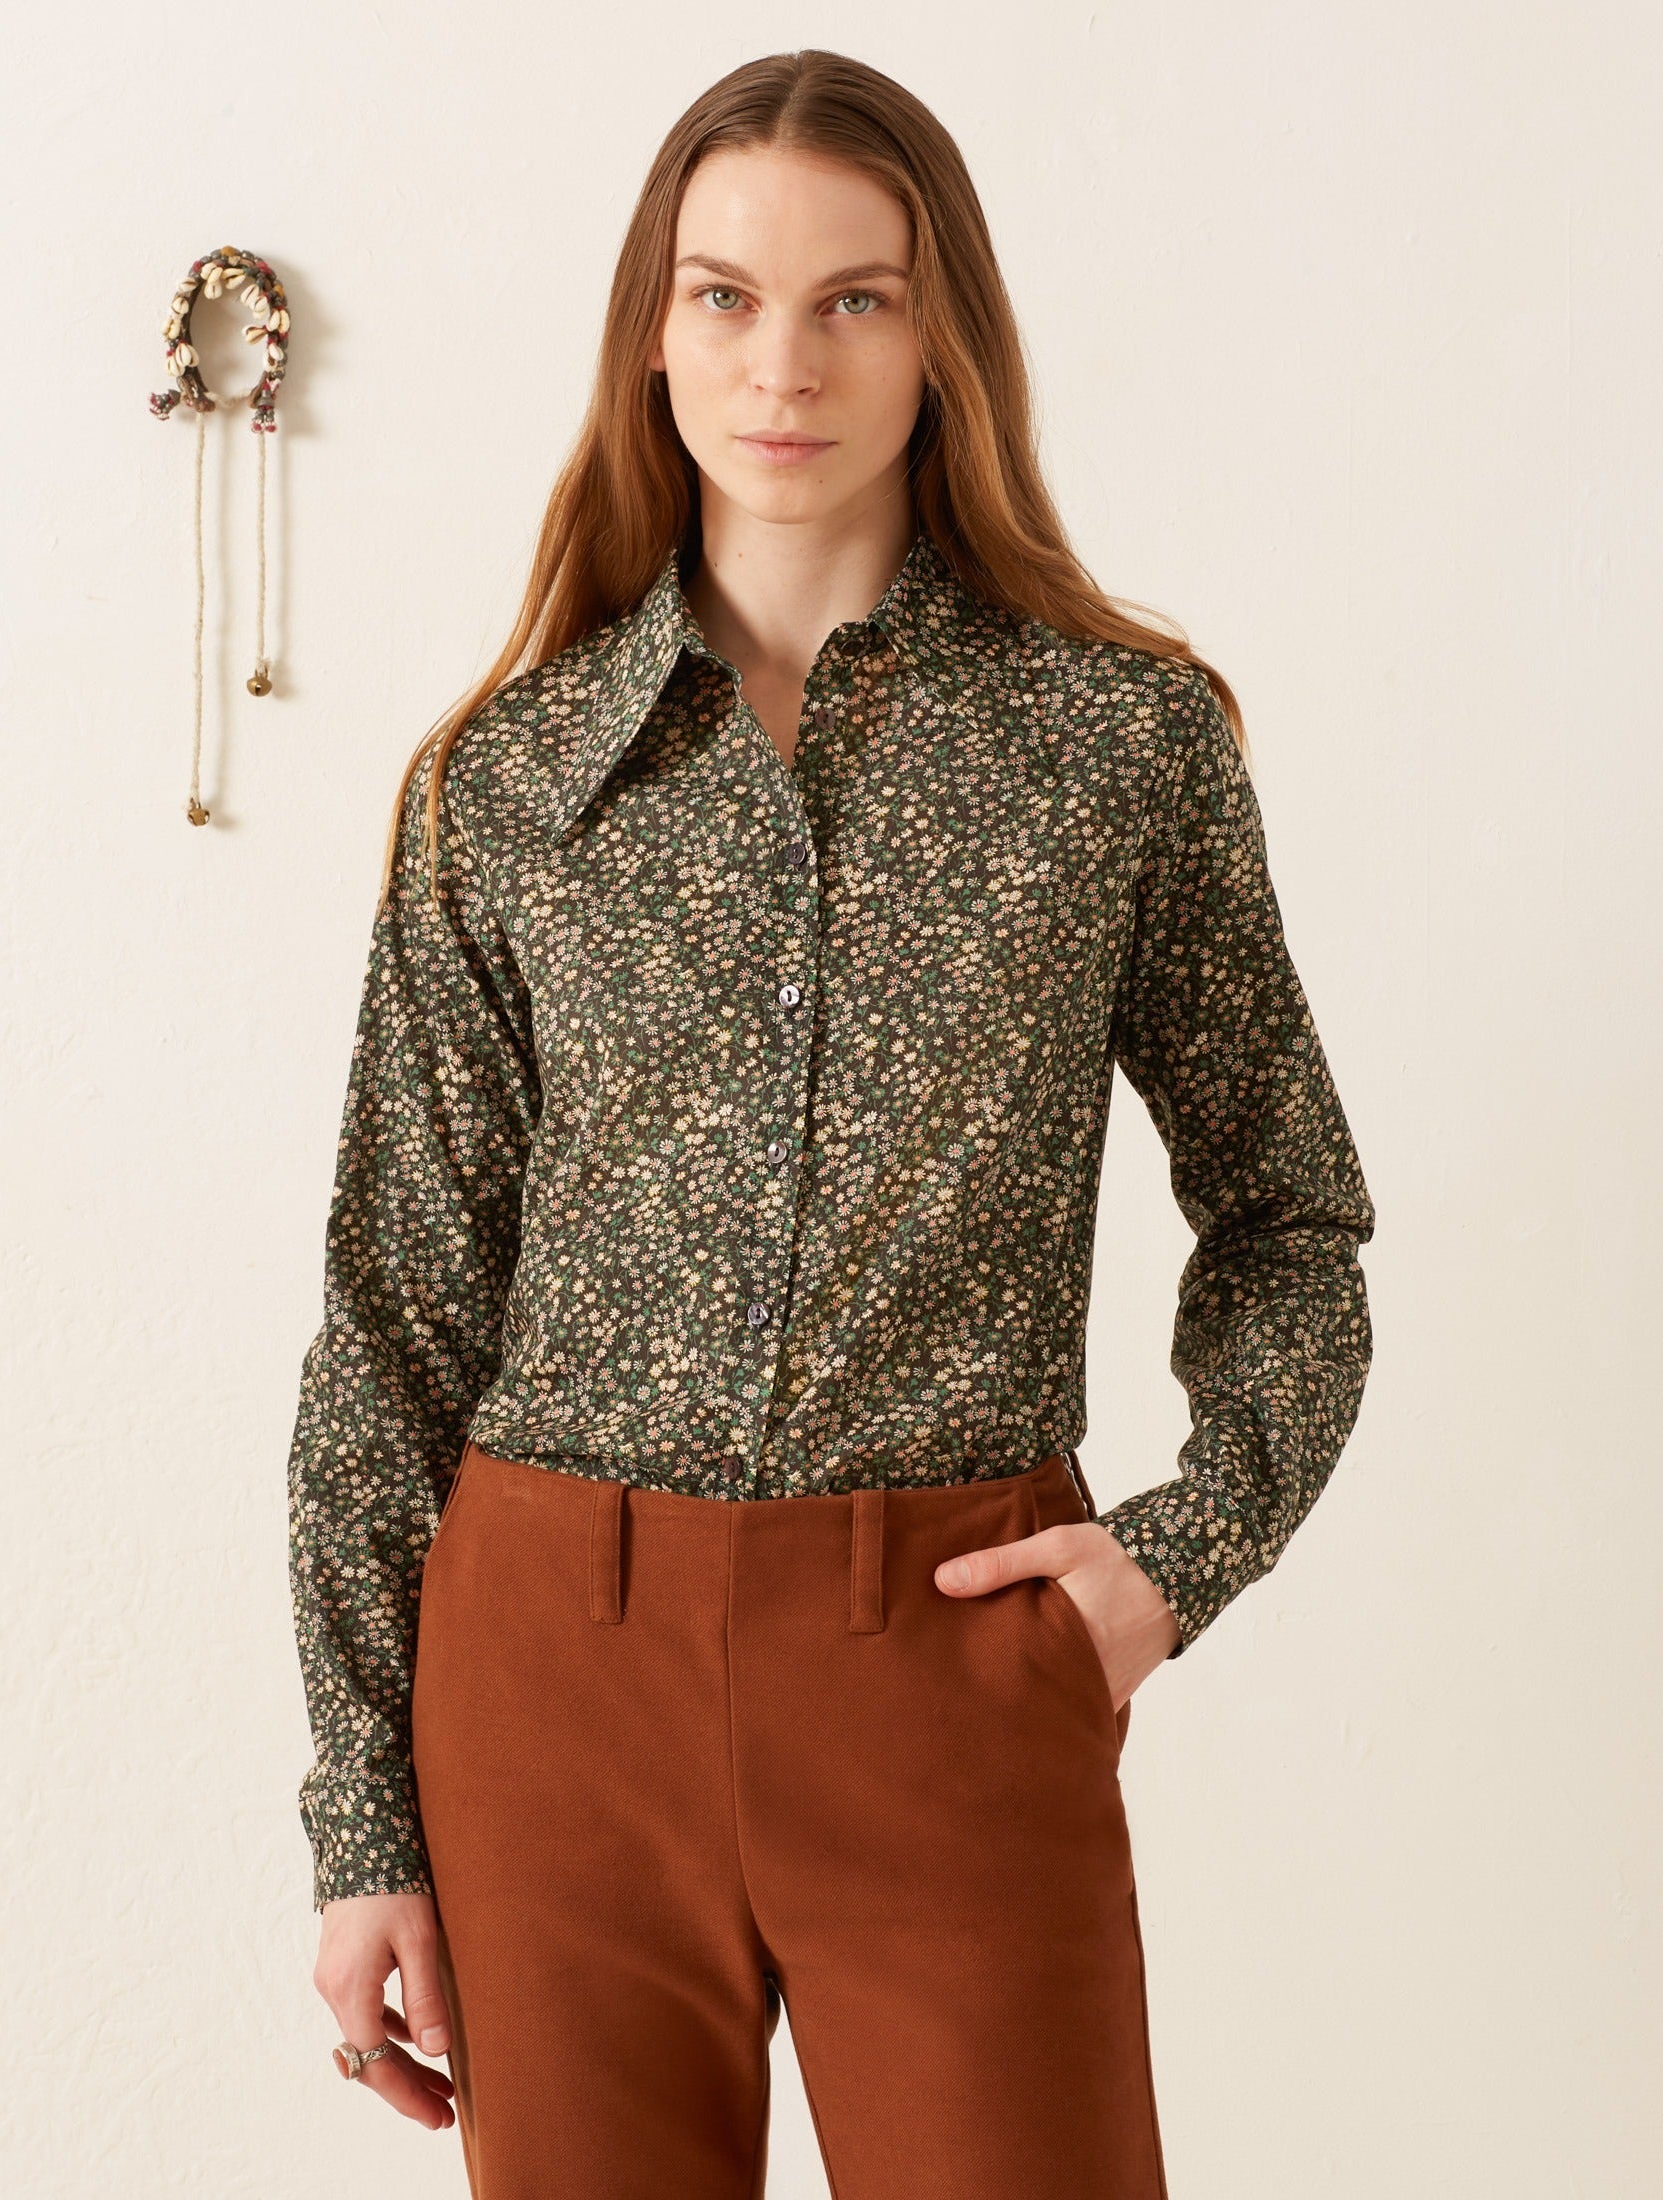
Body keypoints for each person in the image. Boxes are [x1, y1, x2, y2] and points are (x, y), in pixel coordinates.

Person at [286, 48, 1375, 2200]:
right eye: (722, 296)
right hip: (547, 1685)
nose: (780, 361)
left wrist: (1179, 1552)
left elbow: (1286, 1215)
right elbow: (393, 1321)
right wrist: (363, 1820)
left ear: (939, 332)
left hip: (949, 1661)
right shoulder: (503, 786)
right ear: (652, 330)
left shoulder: (1118, 744)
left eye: (855, 299)